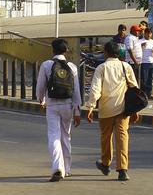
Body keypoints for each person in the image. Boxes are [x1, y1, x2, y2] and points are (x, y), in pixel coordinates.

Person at [84, 40, 138, 182]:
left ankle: (106, 163)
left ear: (106, 53)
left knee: (106, 138)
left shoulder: (101, 68)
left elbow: (95, 89)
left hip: (106, 109)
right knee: (122, 138)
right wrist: (135, 110)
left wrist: (90, 107)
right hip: (123, 109)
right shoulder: (126, 66)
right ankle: (123, 170)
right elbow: (134, 89)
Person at [36, 38, 82, 182]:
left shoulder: (46, 65)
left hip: (52, 106)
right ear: (66, 51)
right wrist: (77, 111)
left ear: (53, 50)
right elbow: (76, 91)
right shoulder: (72, 67)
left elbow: (40, 87)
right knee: (65, 136)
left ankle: (57, 168)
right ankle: (67, 169)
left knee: (54, 136)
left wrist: (41, 100)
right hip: (68, 105)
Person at [139, 27, 153, 99]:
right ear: (145, 33)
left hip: (152, 61)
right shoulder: (140, 41)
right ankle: (143, 94)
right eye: (148, 33)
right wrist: (141, 46)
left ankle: (149, 94)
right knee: (144, 79)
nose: (149, 35)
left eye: (150, 33)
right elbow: (137, 51)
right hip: (144, 62)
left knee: (151, 78)